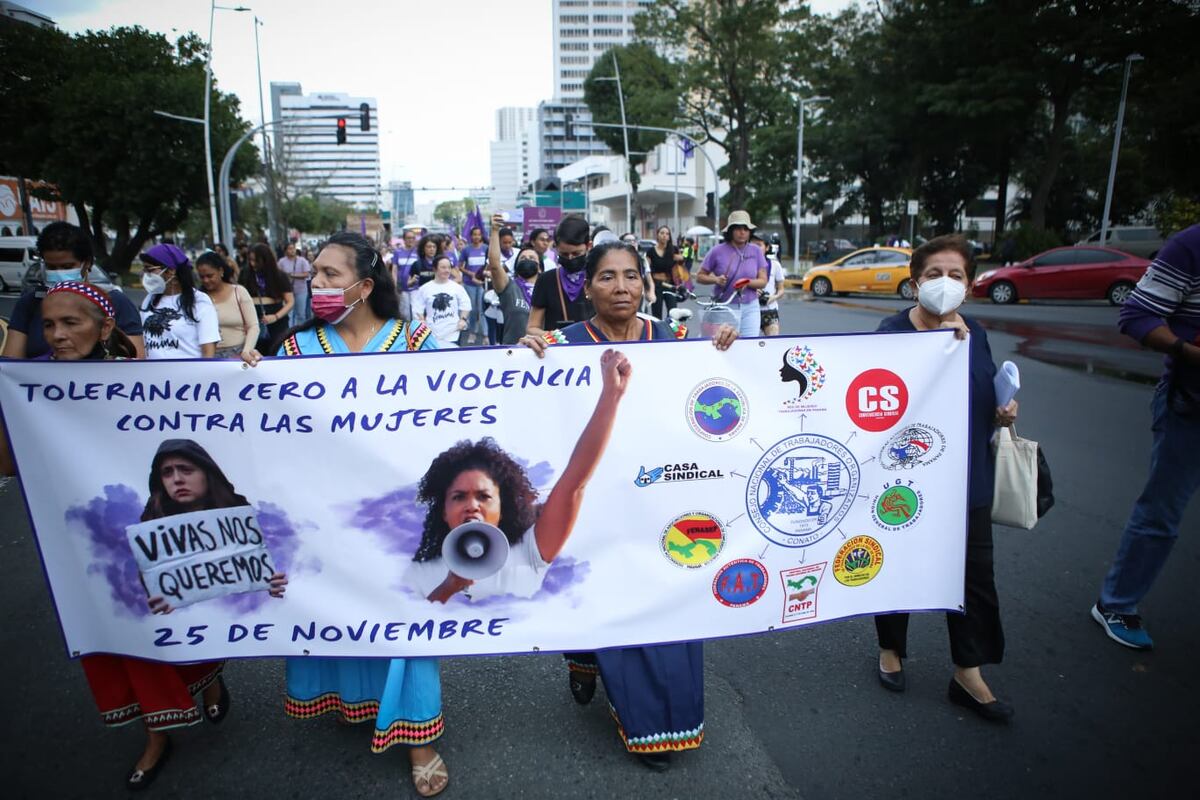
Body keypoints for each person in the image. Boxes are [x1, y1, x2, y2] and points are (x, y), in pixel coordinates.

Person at [241, 232, 446, 797]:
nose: (318, 284)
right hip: (322, 516)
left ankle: (420, 739)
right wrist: (248, 374)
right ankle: (356, 700)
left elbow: (453, 417)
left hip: (400, 517)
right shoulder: (294, 349)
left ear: (366, 283)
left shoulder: (417, 341)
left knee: (405, 619)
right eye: (315, 274)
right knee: (334, 607)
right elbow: (271, 430)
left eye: (331, 275)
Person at [518, 240, 737, 771]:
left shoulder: (677, 340)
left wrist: (727, 347)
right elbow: (525, 409)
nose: (622, 288)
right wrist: (523, 355)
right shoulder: (560, 344)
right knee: (608, 592)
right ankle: (603, 676)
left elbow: (719, 391)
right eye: (608, 277)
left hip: (665, 501)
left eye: (632, 277)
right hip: (599, 500)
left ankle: (666, 718)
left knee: (668, 604)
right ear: (586, 286)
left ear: (647, 284)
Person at [871, 234, 1019, 723]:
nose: (944, 284)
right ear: (914, 283)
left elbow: (984, 395)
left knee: (974, 576)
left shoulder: (975, 334)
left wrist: (1004, 410)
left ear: (970, 287)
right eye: (934, 274)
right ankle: (891, 649)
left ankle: (968, 671)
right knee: (898, 564)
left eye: (956, 275)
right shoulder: (891, 334)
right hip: (905, 480)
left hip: (965, 480)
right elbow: (870, 404)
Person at [404, 348, 628, 600]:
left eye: (484, 496)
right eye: (458, 497)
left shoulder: (530, 551)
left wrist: (612, 395)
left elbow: (575, 483)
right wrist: (449, 586)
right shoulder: (419, 573)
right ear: (443, 510)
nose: (472, 507)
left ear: (503, 504)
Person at [1093, 223, 1200, 650]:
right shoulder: (1191, 246)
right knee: (1163, 510)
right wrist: (1187, 352)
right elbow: (1137, 316)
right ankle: (1117, 603)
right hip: (1190, 404)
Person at [3, 221, 145, 359]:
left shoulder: (116, 302)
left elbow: (135, 366)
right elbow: (12, 365)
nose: (58, 335)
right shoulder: (30, 303)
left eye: (67, 267)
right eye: (48, 324)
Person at [139, 244, 220, 360]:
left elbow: (208, 351)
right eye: (144, 269)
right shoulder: (149, 300)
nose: (146, 275)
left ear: (171, 271)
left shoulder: (199, 301)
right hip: (155, 376)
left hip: (189, 376)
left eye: (150, 269)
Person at [695, 210, 769, 337]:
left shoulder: (756, 251)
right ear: (730, 231)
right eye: (738, 228)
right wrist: (716, 280)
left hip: (751, 307)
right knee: (725, 344)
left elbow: (763, 281)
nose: (742, 232)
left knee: (749, 344)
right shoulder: (717, 251)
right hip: (726, 307)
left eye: (746, 229)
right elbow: (700, 276)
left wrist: (748, 282)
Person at [527, 215, 592, 335]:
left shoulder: (599, 278)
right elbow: (532, 327)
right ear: (556, 248)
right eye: (564, 254)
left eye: (576, 253)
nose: (570, 258)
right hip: (557, 350)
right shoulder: (546, 280)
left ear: (588, 246)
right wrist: (558, 338)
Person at [484, 213, 540, 345]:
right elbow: (495, 265)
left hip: (544, 351)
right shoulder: (510, 287)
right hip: (513, 351)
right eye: (523, 258)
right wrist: (495, 230)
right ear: (516, 265)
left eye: (532, 258)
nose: (527, 260)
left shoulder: (548, 288)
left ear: (540, 268)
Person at [195, 250, 259, 359]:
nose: (205, 280)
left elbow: (253, 326)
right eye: (202, 277)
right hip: (207, 356)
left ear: (221, 271)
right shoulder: (197, 297)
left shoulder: (239, 292)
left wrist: (246, 351)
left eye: (210, 276)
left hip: (238, 354)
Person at [239, 243, 294, 351]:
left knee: (277, 350)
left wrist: (275, 316)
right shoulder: (245, 273)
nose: (252, 263)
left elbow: (290, 301)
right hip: (252, 320)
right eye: (250, 260)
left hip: (276, 320)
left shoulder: (279, 275)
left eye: (256, 261)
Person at [413, 255, 471, 348]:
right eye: (443, 267)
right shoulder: (425, 288)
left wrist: (463, 319)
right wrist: (421, 321)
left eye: (449, 267)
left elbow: (466, 304)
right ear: (435, 269)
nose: (447, 270)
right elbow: (417, 307)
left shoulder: (456, 287)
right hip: (431, 334)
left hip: (453, 334)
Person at [457, 226, 488, 345]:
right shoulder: (466, 250)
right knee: (473, 310)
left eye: (478, 234)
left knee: (482, 310)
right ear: (471, 236)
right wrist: (471, 274)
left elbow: (489, 264)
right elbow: (460, 266)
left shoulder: (486, 248)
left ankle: (485, 335)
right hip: (470, 284)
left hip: (482, 284)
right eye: (474, 234)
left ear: (481, 236)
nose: (476, 237)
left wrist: (481, 276)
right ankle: (472, 333)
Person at [648, 225, 683, 320]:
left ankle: (671, 333)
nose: (664, 235)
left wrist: (681, 258)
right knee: (656, 314)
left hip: (670, 285)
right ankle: (658, 333)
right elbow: (647, 270)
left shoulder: (673, 249)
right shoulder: (651, 251)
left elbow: (680, 263)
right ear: (657, 235)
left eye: (667, 234)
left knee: (673, 313)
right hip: (656, 285)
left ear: (669, 237)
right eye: (662, 233)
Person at [755, 233, 787, 335]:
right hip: (750, 310)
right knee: (749, 343)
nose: (755, 248)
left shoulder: (775, 265)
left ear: (767, 247)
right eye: (752, 245)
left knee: (773, 342)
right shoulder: (744, 264)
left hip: (770, 310)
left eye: (759, 245)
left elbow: (781, 289)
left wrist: (773, 297)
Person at [279, 242, 313, 326]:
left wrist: (292, 275)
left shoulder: (302, 260)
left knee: (301, 314)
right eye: (289, 249)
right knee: (289, 314)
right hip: (287, 291)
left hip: (301, 290)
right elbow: (278, 274)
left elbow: (306, 274)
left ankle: (300, 332)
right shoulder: (281, 262)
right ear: (286, 251)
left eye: (293, 248)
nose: (292, 251)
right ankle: (289, 332)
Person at [392, 228, 421, 321]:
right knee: (405, 313)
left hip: (416, 287)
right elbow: (394, 270)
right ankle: (405, 333)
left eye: (413, 238)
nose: (411, 240)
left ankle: (416, 332)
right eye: (408, 238)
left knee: (416, 312)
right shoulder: (397, 252)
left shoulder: (419, 252)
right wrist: (395, 284)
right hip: (403, 288)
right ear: (404, 239)